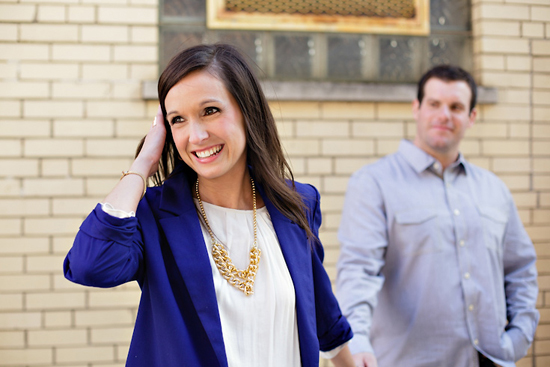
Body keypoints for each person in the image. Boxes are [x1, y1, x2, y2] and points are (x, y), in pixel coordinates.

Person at [64, 43, 354, 367]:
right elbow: (92, 265)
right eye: (178, 120)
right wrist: (144, 162)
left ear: (246, 111)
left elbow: (322, 314)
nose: (197, 135)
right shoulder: (154, 216)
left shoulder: (297, 204)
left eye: (210, 111)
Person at [336, 65, 539, 367]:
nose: (445, 115)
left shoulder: (493, 189)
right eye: (434, 104)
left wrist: (519, 335)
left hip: (491, 360)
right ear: (416, 108)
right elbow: (359, 272)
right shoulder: (374, 183)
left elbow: (520, 268)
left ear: (472, 117)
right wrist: (359, 340)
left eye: (456, 107)